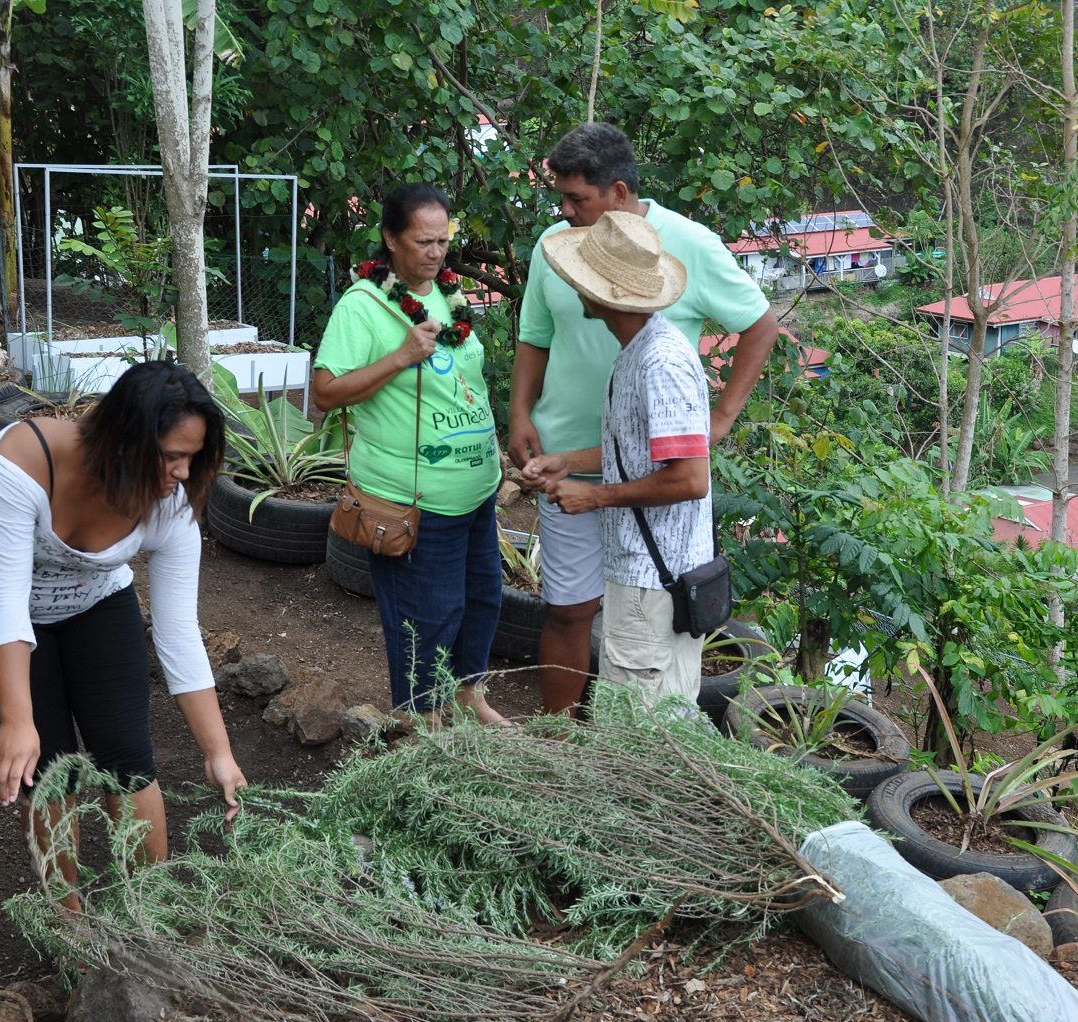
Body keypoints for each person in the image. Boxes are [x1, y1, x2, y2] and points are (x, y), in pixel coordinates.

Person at [0, 361, 247, 909]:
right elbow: (6, 601)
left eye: (193, 458)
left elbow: (179, 631)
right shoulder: (24, 459)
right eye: (172, 456)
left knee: (127, 757)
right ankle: (68, 926)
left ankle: (148, 915)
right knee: (49, 768)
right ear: (122, 439)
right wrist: (18, 723)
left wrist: (219, 753)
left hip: (94, 599)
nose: (183, 473)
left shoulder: (170, 504)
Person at [509, 122, 776, 713]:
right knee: (571, 609)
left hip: (654, 481)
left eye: (577, 198)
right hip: (579, 459)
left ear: (620, 195)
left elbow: (761, 326)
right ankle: (564, 740)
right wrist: (522, 413)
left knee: (643, 628)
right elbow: (535, 335)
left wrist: (721, 419)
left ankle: (625, 761)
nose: (565, 211)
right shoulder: (559, 243)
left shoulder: (682, 273)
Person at [310, 183, 506, 724]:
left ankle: (470, 695)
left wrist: (492, 446)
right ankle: (426, 722)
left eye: (443, 241)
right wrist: (399, 357)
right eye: (423, 241)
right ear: (391, 239)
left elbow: (465, 382)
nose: (437, 252)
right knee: (429, 617)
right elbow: (325, 393)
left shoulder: (448, 291)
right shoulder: (363, 306)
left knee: (482, 600)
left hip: (476, 490)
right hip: (413, 500)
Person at [519, 211, 712, 705]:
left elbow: (690, 479)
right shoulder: (636, 349)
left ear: (603, 293)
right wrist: (570, 460)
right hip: (645, 576)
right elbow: (641, 453)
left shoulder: (660, 363)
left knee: (640, 733)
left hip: (655, 581)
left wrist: (595, 496)